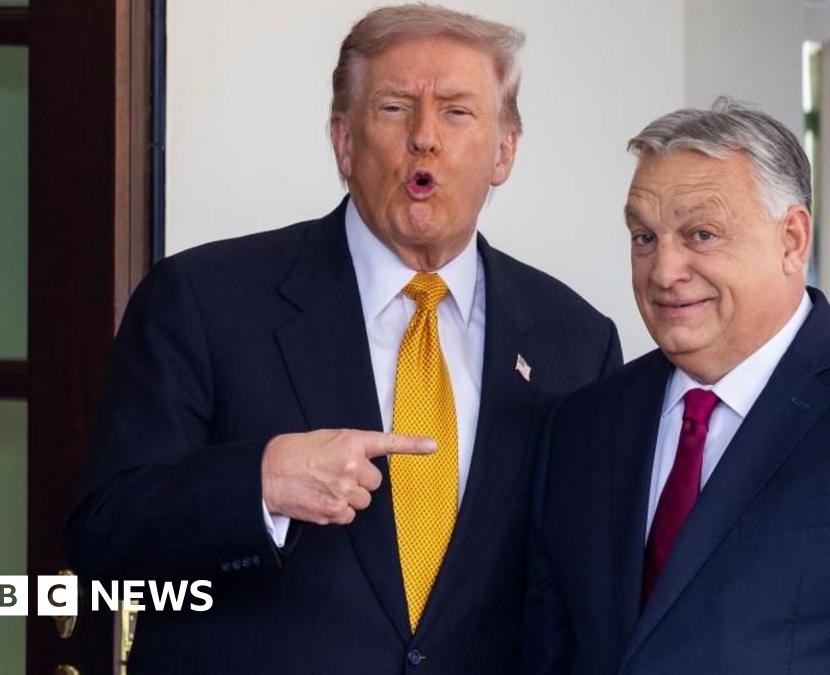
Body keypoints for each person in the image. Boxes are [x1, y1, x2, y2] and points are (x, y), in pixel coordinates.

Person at [64, 5, 621, 673]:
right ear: (343, 141)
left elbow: (586, 592)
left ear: (505, 151)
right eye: (393, 108)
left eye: (456, 111)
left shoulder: (576, 342)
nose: (424, 137)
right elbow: (104, 533)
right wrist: (260, 484)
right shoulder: (201, 299)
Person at [522, 98, 830, 674]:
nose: (663, 271)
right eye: (644, 238)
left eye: (701, 234)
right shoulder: (583, 427)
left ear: (792, 239)